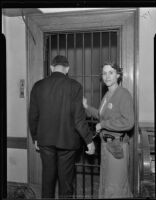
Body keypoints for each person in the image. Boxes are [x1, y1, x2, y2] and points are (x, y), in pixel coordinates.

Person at [29, 55, 95, 199]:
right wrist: (89, 141)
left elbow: (33, 116)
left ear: (51, 67)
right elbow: (79, 119)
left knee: (47, 181)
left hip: (45, 141)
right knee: (66, 184)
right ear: (67, 69)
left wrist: (35, 137)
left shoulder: (38, 86)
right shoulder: (75, 86)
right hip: (68, 142)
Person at [83, 61, 134, 198]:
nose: (107, 76)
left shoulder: (123, 94)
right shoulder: (107, 95)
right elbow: (100, 114)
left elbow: (129, 122)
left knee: (116, 187)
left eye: (111, 72)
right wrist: (87, 107)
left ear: (118, 75)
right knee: (107, 185)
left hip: (117, 146)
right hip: (106, 146)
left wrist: (104, 124)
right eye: (104, 73)